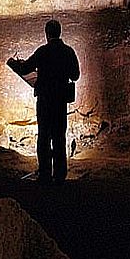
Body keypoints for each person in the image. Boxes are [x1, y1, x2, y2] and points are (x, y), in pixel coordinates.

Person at [8, 19, 80, 184]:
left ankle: (45, 173)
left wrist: (14, 63)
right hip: (60, 100)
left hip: (45, 100)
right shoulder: (68, 51)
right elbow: (75, 75)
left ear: (47, 34)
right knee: (59, 137)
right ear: (60, 32)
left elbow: (26, 68)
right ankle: (60, 174)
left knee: (44, 137)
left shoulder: (42, 51)